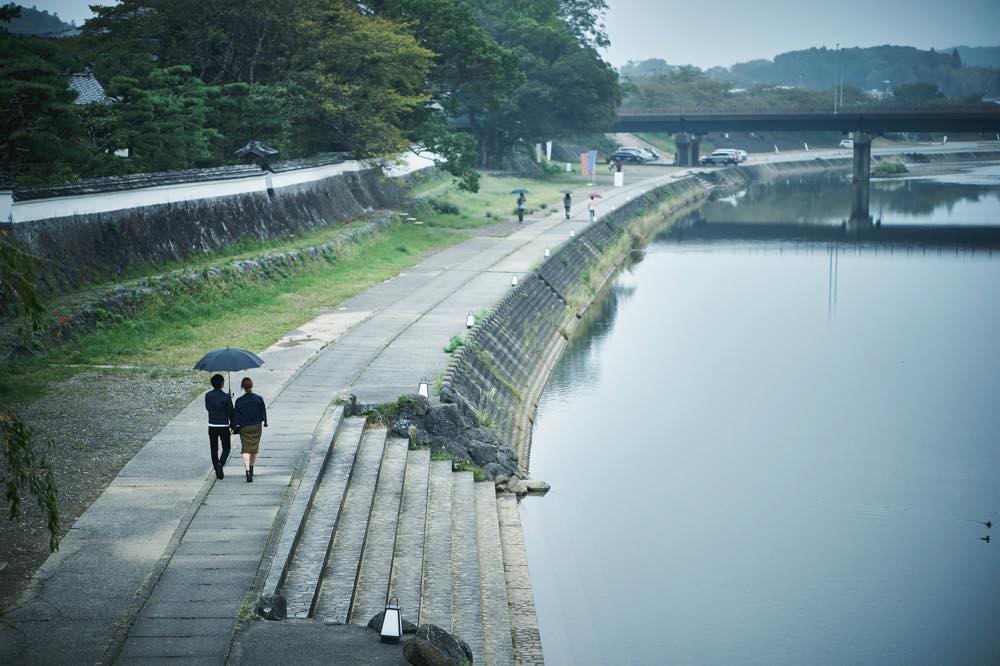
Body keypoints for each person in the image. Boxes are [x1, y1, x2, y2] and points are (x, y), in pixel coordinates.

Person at [233, 376, 267, 482]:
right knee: (254, 448)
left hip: (244, 427)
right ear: (251, 386)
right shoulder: (258, 398)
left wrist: (234, 427)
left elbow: (236, 415)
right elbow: (263, 412)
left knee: (246, 449)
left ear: (242, 387)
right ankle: (252, 469)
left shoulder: (239, 401)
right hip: (256, 426)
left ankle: (247, 471)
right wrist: (265, 422)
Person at [204, 374, 233, 480]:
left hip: (212, 425)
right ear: (222, 383)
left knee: (214, 448)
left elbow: (208, 408)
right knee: (226, 447)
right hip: (224, 425)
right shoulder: (226, 397)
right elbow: (230, 412)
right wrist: (233, 424)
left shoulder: (208, 395)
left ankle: (217, 469)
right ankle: (221, 463)